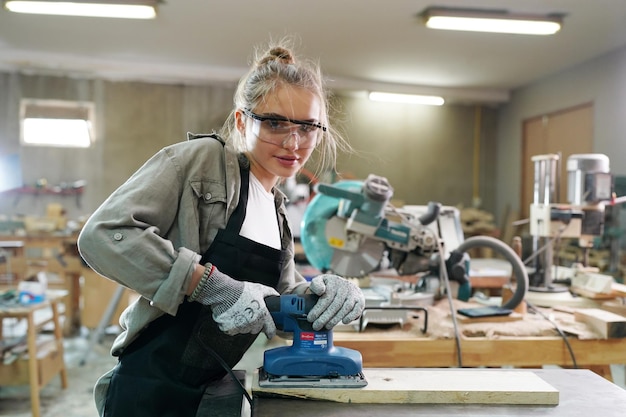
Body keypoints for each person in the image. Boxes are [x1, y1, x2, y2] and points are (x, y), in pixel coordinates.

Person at [77, 39, 365, 417]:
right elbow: (102, 235)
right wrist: (212, 287)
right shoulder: (202, 162)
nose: (294, 142)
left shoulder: (277, 209)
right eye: (275, 123)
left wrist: (327, 292)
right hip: (151, 386)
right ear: (243, 120)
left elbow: (272, 301)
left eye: (308, 127)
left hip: (210, 389)